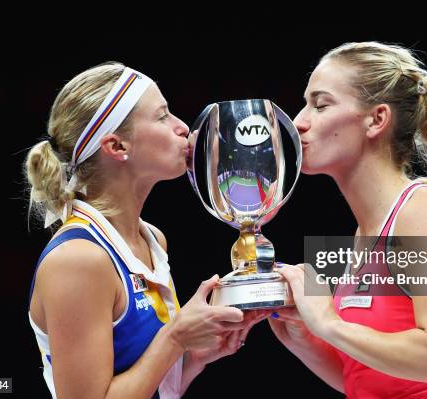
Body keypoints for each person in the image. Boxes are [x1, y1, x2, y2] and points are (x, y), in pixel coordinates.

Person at [25, 62, 267, 399]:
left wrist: (193, 358)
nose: (182, 127)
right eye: (162, 116)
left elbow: (153, 388)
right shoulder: (78, 260)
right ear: (117, 147)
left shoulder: (151, 238)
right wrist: (176, 337)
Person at [269, 42, 427, 398]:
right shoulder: (366, 232)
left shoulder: (425, 216)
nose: (298, 123)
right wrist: (305, 337)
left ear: (377, 119)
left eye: (320, 105)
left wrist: (328, 323)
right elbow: (369, 381)